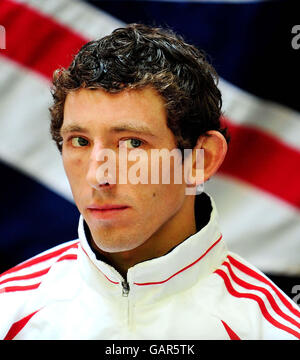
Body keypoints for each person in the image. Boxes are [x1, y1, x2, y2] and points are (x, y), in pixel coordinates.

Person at [0, 23, 299, 340]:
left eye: (132, 143)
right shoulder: (8, 312)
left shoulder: (277, 332)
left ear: (202, 159)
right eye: (80, 142)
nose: (98, 176)